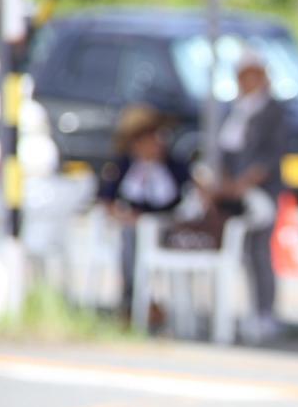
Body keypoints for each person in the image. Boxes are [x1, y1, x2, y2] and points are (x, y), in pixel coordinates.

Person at [208, 49, 287, 343]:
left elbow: (271, 155)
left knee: (259, 250)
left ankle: (265, 311)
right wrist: (226, 183)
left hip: (260, 191)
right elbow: (224, 151)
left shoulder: (273, 111)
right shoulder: (234, 109)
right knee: (237, 250)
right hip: (233, 191)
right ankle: (243, 310)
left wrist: (244, 182)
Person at [98, 104, 190, 317]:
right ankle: (133, 300)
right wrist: (124, 216)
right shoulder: (125, 167)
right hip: (134, 227)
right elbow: (106, 199)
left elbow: (185, 199)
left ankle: (147, 303)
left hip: (167, 226)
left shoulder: (173, 167)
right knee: (130, 236)